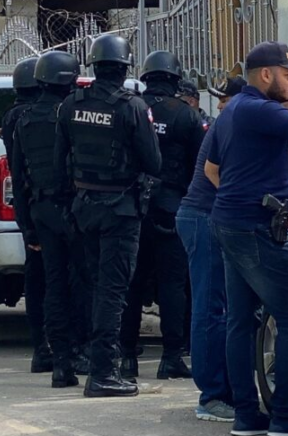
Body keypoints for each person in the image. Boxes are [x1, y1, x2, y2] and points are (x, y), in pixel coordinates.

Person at [55, 35, 161, 397]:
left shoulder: (71, 104)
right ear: (124, 68)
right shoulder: (133, 107)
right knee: (113, 292)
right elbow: (154, 162)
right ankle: (102, 373)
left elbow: (59, 162)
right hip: (120, 210)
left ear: (95, 66)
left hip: (84, 207)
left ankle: (92, 361)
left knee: (93, 286)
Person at [205, 41, 288, 436]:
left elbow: (212, 169)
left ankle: (246, 417)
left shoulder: (232, 110)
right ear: (267, 74)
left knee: (240, 321)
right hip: (254, 226)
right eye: (287, 75)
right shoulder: (261, 110)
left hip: (230, 222)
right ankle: (283, 419)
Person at [120, 51, 204, 381]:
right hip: (172, 209)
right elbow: (199, 167)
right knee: (173, 285)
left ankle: (127, 357)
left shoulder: (131, 107)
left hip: (132, 208)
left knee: (132, 282)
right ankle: (170, 356)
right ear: (174, 78)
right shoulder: (187, 115)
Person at [12, 51, 89, 387]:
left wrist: (26, 225)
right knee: (81, 281)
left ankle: (59, 361)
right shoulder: (71, 113)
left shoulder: (24, 119)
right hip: (73, 207)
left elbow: (18, 177)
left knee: (53, 284)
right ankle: (79, 350)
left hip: (41, 211)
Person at [175, 87, 240, 422]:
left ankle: (227, 390)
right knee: (211, 309)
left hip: (208, 217)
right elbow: (216, 174)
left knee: (225, 308)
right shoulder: (237, 121)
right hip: (205, 217)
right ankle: (212, 397)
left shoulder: (237, 118)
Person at [0, 56, 53, 374]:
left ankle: (41, 347)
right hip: (50, 204)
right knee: (55, 280)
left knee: (36, 279)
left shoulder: (12, 116)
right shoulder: (38, 115)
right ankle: (56, 346)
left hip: (29, 205)